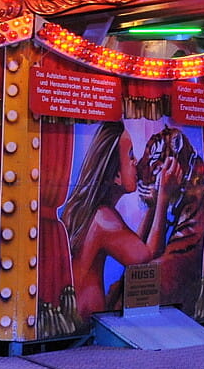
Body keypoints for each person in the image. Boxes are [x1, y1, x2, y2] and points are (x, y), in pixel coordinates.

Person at [60, 121, 180, 319]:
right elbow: (146, 257)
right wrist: (163, 198)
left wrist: (151, 208)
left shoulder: (93, 212)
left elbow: (131, 247)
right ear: (116, 175)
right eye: (131, 155)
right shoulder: (104, 219)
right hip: (84, 317)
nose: (137, 161)